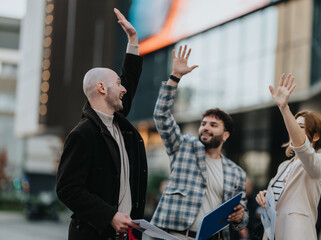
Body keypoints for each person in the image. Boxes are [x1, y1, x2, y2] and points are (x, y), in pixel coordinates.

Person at [56, 8, 147, 240]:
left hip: (128, 236)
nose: (124, 88)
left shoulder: (120, 125)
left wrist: (133, 40)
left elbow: (131, 83)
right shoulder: (83, 134)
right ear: (101, 88)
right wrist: (110, 216)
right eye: (118, 83)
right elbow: (67, 189)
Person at [150, 45, 249, 240]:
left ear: (225, 135)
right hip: (174, 235)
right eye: (204, 123)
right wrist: (175, 77)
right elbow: (161, 116)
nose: (206, 127)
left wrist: (240, 217)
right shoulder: (183, 147)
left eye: (213, 125)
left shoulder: (236, 172)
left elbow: (243, 218)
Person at [255, 74, 321, 240]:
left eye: (300, 127)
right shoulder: (284, 166)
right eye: (293, 126)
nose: (293, 130)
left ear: (316, 136)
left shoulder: (319, 162)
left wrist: (284, 108)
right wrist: (266, 197)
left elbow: (303, 148)